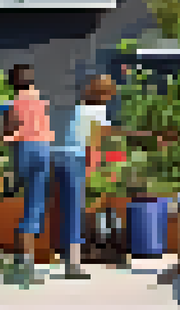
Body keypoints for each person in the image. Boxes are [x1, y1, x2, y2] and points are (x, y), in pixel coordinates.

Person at [51, 74, 116, 280]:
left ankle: (59, 255)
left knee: (60, 209)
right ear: (104, 94)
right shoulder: (99, 111)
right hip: (75, 159)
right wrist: (91, 169)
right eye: (109, 94)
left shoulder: (80, 108)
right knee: (74, 212)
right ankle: (73, 265)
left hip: (58, 155)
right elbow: (93, 143)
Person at [1, 64, 52, 283]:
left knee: (28, 208)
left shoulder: (15, 103)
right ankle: (24, 267)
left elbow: (11, 130)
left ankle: (21, 264)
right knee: (34, 208)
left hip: (23, 151)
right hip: (42, 149)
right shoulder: (41, 101)